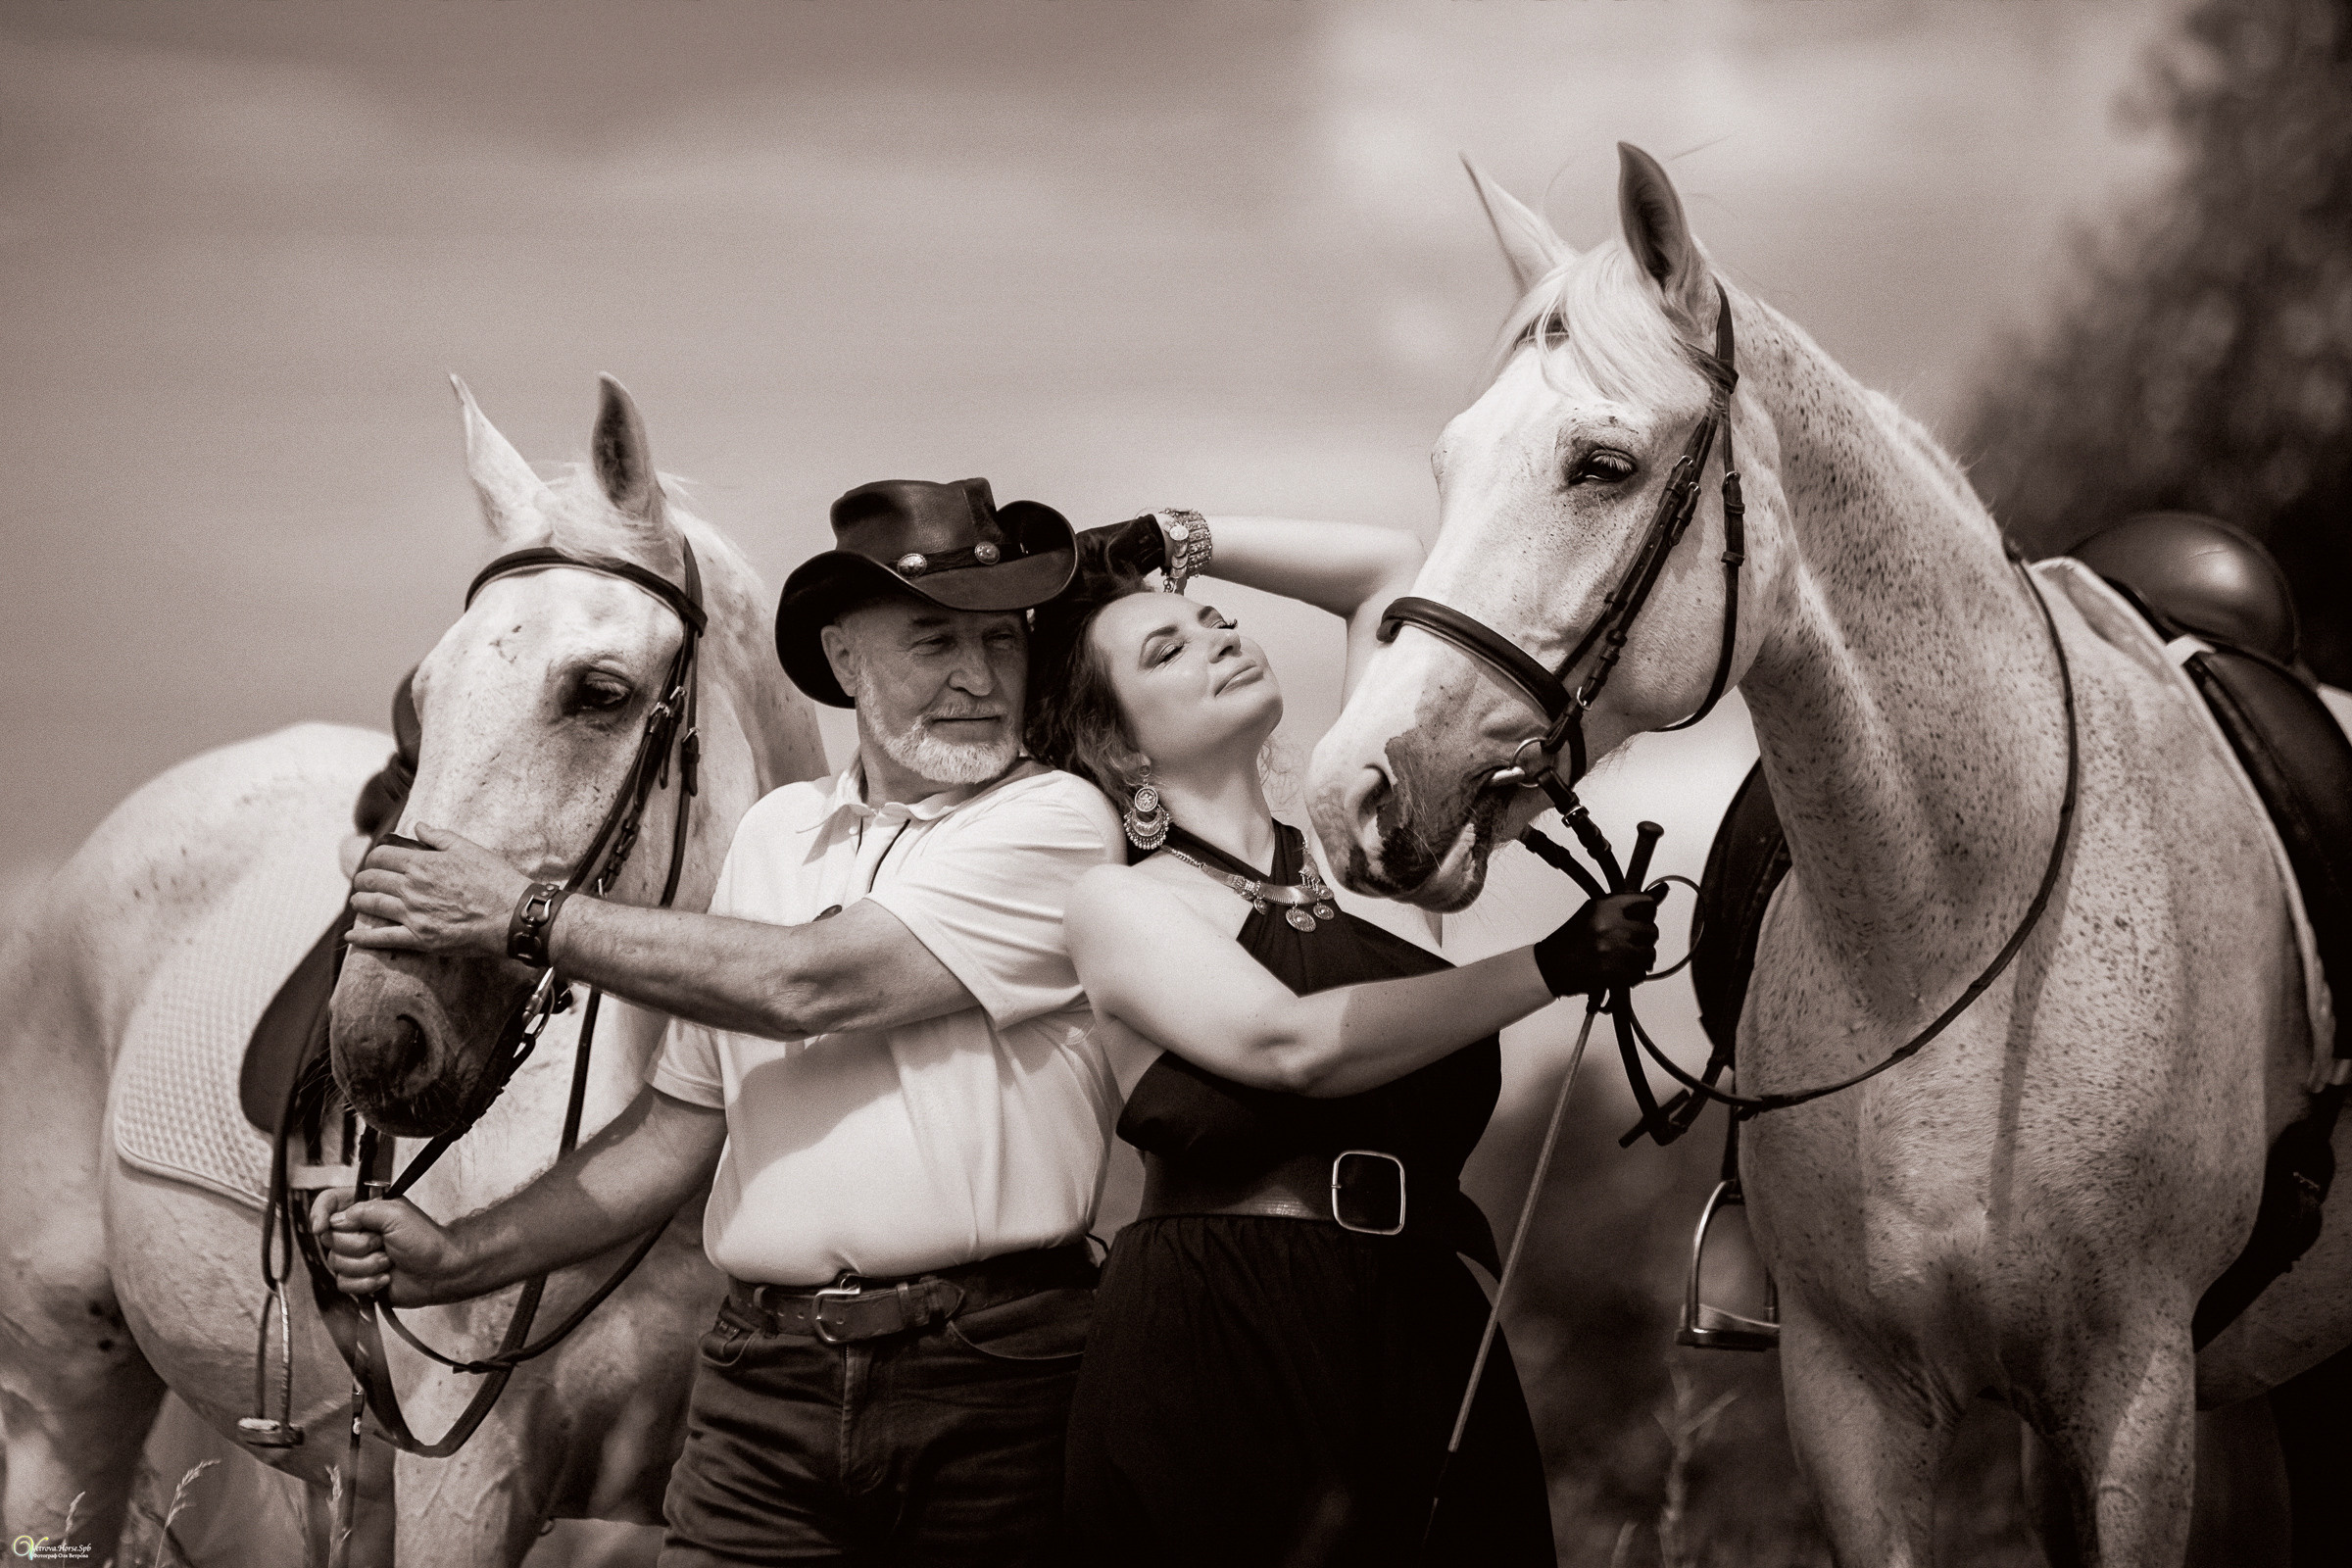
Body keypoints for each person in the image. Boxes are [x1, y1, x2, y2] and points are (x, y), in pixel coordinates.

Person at [318, 478, 1130, 1567]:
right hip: (764, 1380)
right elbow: (674, 1130)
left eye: (1000, 640)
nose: (978, 678)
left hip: (987, 1375)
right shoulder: (776, 835)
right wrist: (459, 1255)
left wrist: (518, 913)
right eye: (934, 639)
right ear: (845, 662)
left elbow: (814, 981)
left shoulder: (1057, 820)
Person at [1022, 512, 1658, 1566]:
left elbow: (1387, 571)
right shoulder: (1118, 904)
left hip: (1423, 1322)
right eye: (1167, 648)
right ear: (1114, 745)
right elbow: (1291, 1045)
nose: (1221, 636)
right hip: (1218, 1341)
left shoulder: (1368, 847)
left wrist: (1181, 530)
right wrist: (1549, 966)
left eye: (1218, 620)